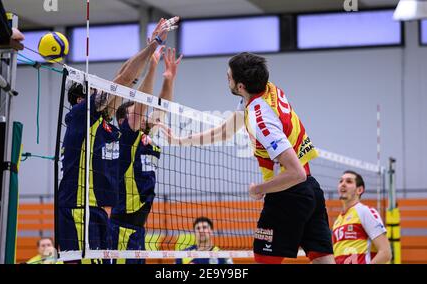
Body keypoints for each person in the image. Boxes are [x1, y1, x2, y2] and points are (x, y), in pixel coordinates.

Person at [164, 52, 335, 264]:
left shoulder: (260, 120)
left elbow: (295, 173)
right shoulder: (264, 90)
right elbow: (225, 132)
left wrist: (259, 189)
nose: (226, 79)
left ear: (241, 86)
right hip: (311, 189)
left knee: (264, 258)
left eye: (229, 77)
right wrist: (179, 141)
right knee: (322, 259)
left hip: (289, 192)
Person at [57, 17, 178, 263]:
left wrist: (150, 52)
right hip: (78, 208)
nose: (101, 92)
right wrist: (153, 45)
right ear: (82, 99)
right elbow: (122, 82)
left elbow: (124, 78)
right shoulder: (81, 116)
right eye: (93, 90)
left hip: (99, 211)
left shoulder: (103, 123)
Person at [110, 47, 182, 264]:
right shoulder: (125, 138)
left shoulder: (143, 135)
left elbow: (162, 108)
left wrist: (168, 79)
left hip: (138, 228)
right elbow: (143, 101)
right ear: (124, 121)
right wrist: (151, 67)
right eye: (138, 113)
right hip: (122, 227)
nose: (145, 115)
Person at [333, 170, 392, 264]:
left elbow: (386, 253)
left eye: (348, 181)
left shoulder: (365, 212)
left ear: (359, 190)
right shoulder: (337, 222)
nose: (343, 184)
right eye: (341, 181)